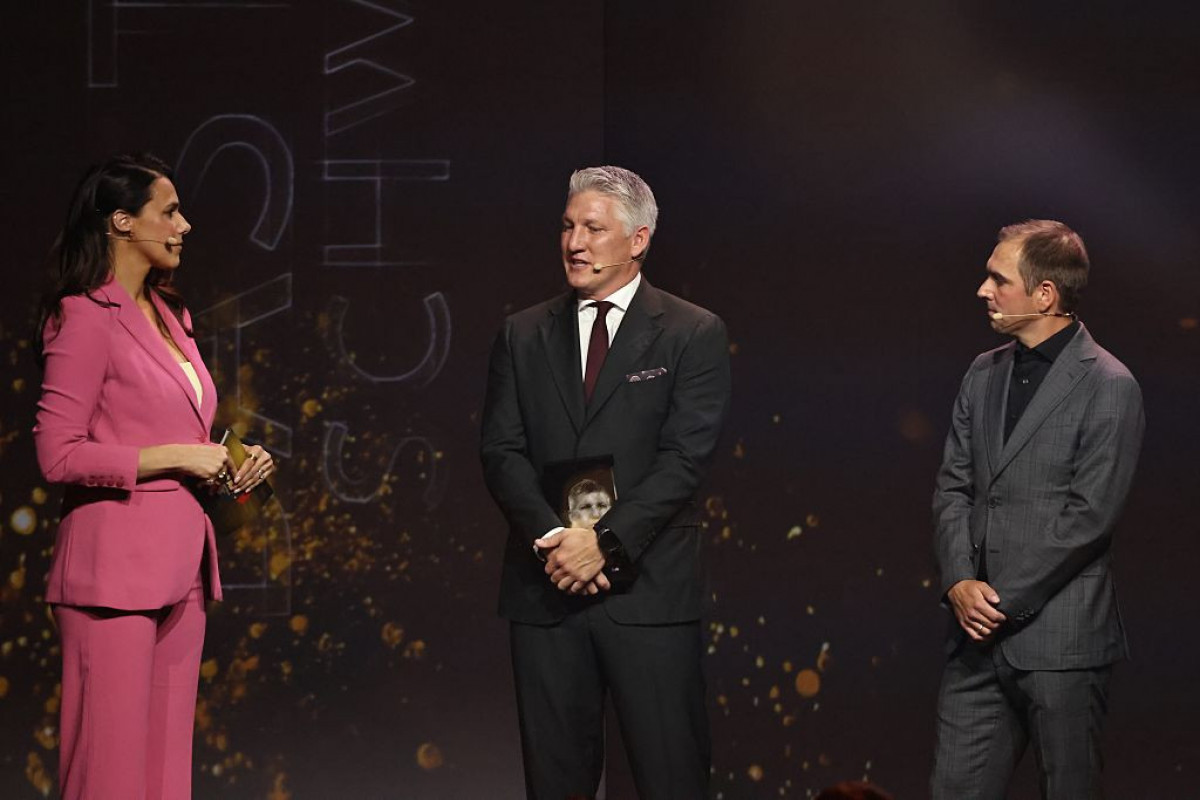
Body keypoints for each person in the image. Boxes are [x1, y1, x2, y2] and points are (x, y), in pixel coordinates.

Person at [480, 166, 731, 799]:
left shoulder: (691, 331)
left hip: (649, 593)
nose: (575, 243)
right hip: (547, 589)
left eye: (593, 229)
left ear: (638, 239)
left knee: (671, 777)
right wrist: (556, 540)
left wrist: (605, 543)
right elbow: (501, 451)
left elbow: (684, 459)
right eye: (568, 227)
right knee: (555, 782)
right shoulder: (522, 333)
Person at [34, 153, 275, 799]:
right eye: (168, 211)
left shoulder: (173, 316)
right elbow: (58, 454)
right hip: (112, 577)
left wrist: (226, 461)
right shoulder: (82, 315)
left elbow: (170, 433)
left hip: (182, 571)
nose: (183, 225)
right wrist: (177, 456)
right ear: (121, 221)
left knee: (165, 778)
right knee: (108, 777)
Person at [930, 220, 1144, 799]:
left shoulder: (1108, 384)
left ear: (1045, 294)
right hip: (974, 644)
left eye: (998, 279)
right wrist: (958, 582)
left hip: (1061, 641)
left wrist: (998, 601)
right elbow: (953, 485)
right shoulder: (983, 372)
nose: (983, 290)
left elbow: (1090, 516)